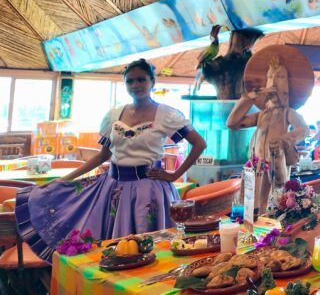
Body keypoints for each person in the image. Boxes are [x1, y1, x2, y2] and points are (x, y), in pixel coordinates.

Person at [16, 59, 207, 261]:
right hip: (113, 189)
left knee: (153, 249)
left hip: (149, 191)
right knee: (116, 248)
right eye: (130, 81)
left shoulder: (166, 115)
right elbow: (103, 155)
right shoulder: (114, 115)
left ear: (152, 81)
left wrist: (174, 175)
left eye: (141, 79)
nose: (135, 85)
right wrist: (65, 179)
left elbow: (199, 144)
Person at [227, 47, 311, 213]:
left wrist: (283, 140)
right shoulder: (261, 115)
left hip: (276, 166)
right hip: (255, 168)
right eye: (270, 76)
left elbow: (304, 130)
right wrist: (248, 98)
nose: (273, 82)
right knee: (251, 209)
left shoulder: (288, 113)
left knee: (273, 207)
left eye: (280, 77)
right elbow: (232, 123)